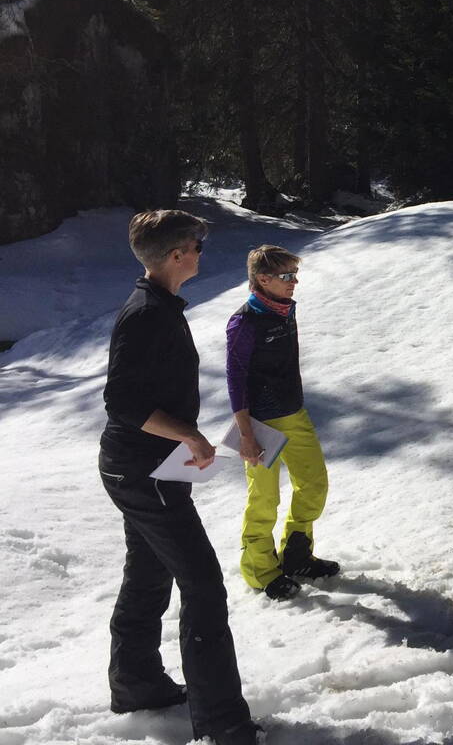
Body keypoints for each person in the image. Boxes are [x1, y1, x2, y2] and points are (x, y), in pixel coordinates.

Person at [100, 210, 260, 745]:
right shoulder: (146, 313)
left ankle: (137, 683)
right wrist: (187, 437)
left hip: (142, 468)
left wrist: (185, 434)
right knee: (204, 585)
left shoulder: (161, 306)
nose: (200, 251)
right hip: (143, 471)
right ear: (175, 255)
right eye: (196, 244)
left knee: (148, 574)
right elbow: (122, 402)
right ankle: (222, 724)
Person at [226, 245, 338, 603]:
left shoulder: (284, 309)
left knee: (314, 484)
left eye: (295, 274)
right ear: (262, 279)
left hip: (294, 412)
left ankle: (297, 555)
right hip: (260, 422)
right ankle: (261, 571)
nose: (295, 282)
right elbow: (235, 379)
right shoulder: (244, 321)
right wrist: (245, 433)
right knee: (264, 498)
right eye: (287, 276)